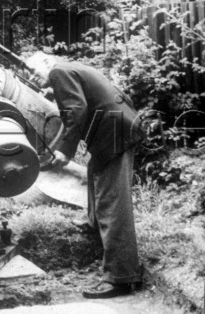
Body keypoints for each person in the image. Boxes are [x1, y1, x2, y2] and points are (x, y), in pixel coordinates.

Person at [25, 51, 144, 299]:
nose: (32, 77)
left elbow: (76, 109)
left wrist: (65, 150)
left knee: (113, 201)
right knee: (94, 173)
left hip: (115, 133)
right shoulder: (71, 69)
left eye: (34, 71)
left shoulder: (59, 72)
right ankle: (94, 222)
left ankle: (121, 277)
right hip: (115, 129)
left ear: (48, 62)